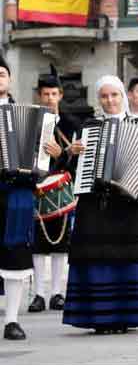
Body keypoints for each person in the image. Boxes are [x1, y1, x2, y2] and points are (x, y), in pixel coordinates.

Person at [62, 76, 138, 335]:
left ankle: (127, 315)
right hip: (97, 204)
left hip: (131, 207)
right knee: (97, 258)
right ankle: (99, 319)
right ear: (98, 99)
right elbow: (73, 171)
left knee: (128, 258)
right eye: (104, 96)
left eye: (114, 95)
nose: (110, 101)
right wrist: (72, 154)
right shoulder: (88, 127)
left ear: (122, 97)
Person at [28, 74, 78, 314]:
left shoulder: (71, 125)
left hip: (61, 190)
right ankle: (38, 294)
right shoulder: (31, 122)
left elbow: (78, 162)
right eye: (45, 94)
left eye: (53, 94)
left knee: (61, 244)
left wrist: (62, 154)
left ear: (60, 95)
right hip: (36, 187)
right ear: (39, 95)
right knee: (38, 245)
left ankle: (57, 293)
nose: (49, 98)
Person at [0, 61, 37, 341]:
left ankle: (12, 320)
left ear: (10, 80)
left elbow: (47, 158)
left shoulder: (32, 117)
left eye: (2, 74)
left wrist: (53, 151)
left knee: (16, 256)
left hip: (18, 195)